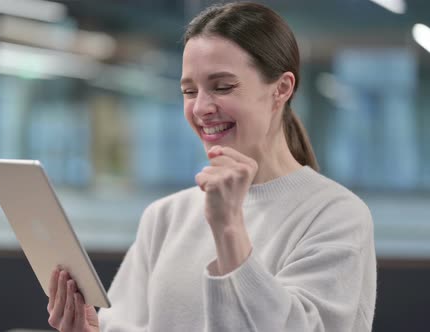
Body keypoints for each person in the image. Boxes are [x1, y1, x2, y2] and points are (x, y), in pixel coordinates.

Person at [46, 2, 377, 331]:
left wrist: (229, 228)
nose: (201, 107)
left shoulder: (336, 216)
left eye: (222, 87)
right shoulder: (165, 216)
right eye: (189, 91)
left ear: (281, 89)